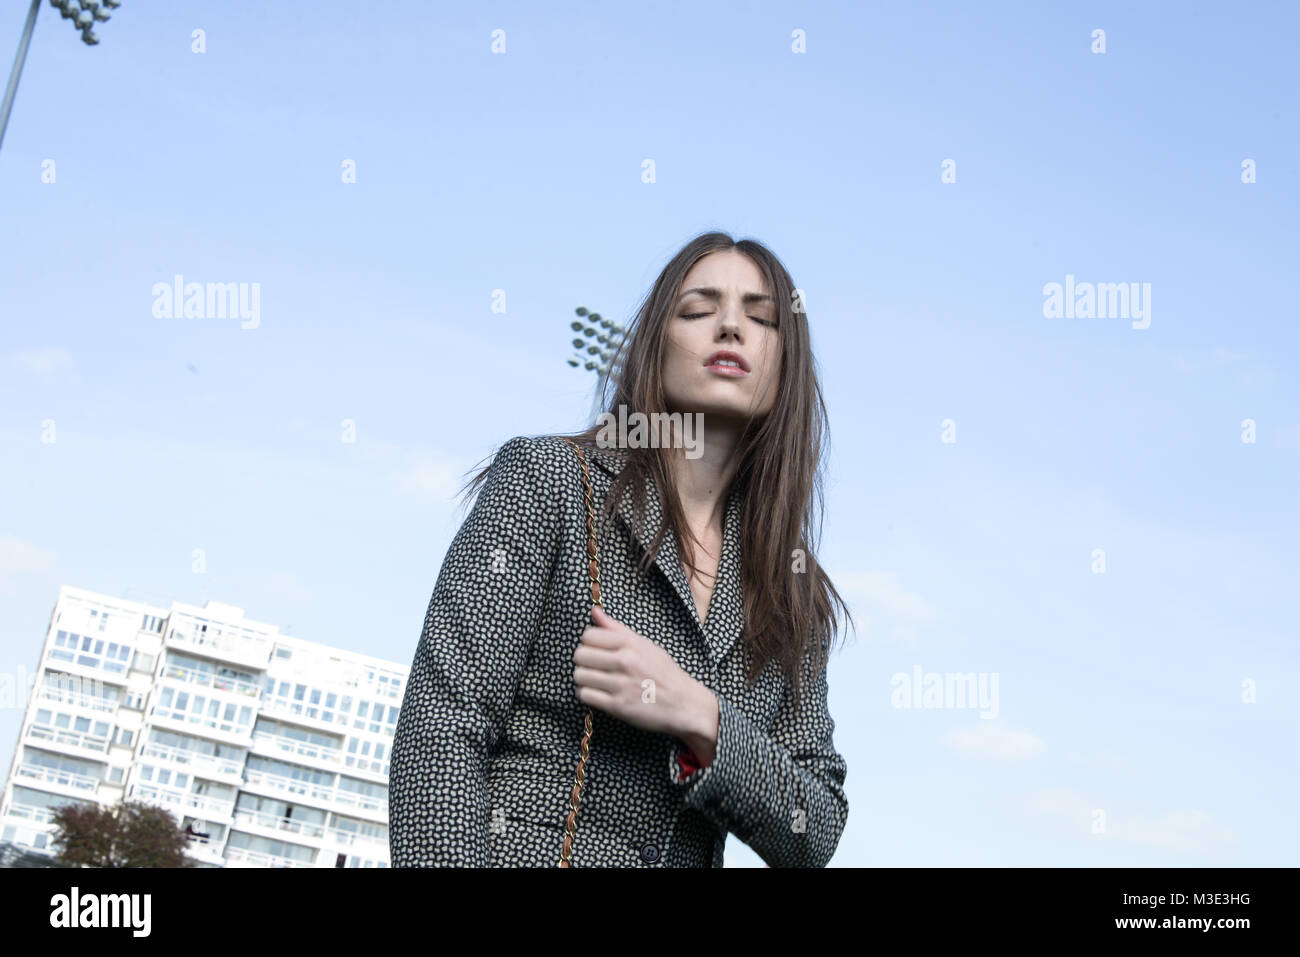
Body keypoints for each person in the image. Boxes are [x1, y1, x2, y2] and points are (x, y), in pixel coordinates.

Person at [387, 231, 853, 867]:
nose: (730, 327)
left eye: (762, 317)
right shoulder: (547, 479)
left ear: (786, 364)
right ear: (655, 347)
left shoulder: (790, 589)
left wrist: (698, 713)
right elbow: (441, 731)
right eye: (698, 310)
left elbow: (814, 827)